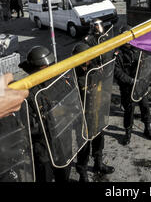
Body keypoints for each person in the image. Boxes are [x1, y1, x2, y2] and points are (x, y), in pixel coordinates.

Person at [19, 46, 71, 182]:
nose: (51, 68)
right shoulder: (28, 93)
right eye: (45, 67)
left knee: (64, 172)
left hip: (61, 138)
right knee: (44, 176)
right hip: (43, 146)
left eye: (51, 65)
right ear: (36, 69)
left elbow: (70, 101)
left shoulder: (58, 80)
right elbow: (30, 126)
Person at [72, 42, 115, 182]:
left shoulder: (95, 69)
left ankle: (98, 163)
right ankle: (82, 173)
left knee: (98, 140)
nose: (87, 60)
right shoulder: (72, 74)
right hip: (82, 116)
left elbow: (104, 84)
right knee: (83, 145)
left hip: (96, 111)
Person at [114, 27, 151, 145]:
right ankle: (128, 132)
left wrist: (143, 78)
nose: (127, 41)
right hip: (128, 87)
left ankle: (147, 128)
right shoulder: (118, 53)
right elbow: (118, 72)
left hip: (140, 85)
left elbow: (147, 64)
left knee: (145, 107)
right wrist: (132, 81)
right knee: (129, 111)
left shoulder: (138, 49)